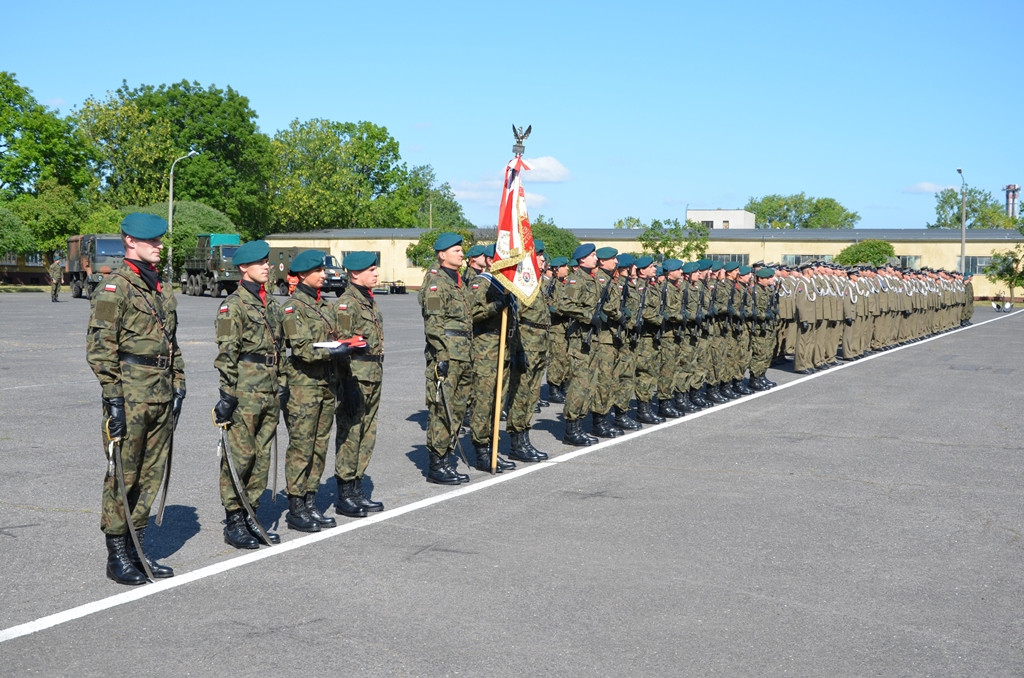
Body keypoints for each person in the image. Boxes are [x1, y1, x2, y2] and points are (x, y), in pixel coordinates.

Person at [86, 212, 184, 585]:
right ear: (130, 241)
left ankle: (139, 550)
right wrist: (113, 399)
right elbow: (99, 348)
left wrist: (180, 383)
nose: (159, 246)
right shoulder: (115, 288)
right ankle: (117, 556)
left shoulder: (162, 287)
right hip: (130, 394)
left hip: (160, 393)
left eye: (160, 241)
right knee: (123, 475)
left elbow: (172, 344)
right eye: (152, 241)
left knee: (150, 474)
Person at [212, 240, 285, 549]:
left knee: (263, 456)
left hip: (269, 389)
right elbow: (227, 354)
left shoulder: (272, 304)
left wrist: (281, 380)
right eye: (260, 263)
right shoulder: (234, 305)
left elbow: (280, 348)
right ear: (244, 268)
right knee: (241, 457)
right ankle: (234, 520)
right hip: (245, 390)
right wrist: (227, 394)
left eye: (267, 262)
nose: (267, 266)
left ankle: (252, 514)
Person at [282, 249, 357, 530]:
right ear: (303, 275)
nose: (324, 274)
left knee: (319, 446)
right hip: (304, 386)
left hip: (327, 384)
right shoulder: (293, 307)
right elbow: (302, 349)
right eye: (318, 271)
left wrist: (349, 344)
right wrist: (335, 351)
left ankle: (310, 501)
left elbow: (337, 337)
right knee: (302, 446)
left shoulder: (325, 306)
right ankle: (296, 505)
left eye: (324, 270)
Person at [333, 251, 386, 516]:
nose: (376, 273)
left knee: (367, 433)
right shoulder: (347, 303)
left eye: (376, 269)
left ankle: (357, 487)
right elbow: (343, 345)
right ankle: (345, 493)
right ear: (355, 273)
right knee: (351, 433)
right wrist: (347, 383)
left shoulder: (368, 300)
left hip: (372, 373)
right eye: (371, 270)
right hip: (355, 375)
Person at [418, 232, 474, 484]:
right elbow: (433, 322)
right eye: (456, 250)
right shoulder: (436, 282)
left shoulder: (459, 282)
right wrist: (441, 354)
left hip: (464, 353)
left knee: (459, 409)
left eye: (461, 250)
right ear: (442, 255)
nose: (462, 254)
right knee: (443, 408)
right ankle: (437, 464)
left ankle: (447, 457)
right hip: (448, 354)